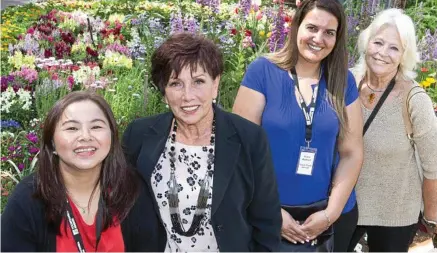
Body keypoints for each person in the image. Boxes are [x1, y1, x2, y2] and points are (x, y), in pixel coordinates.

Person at [122, 32, 282, 252]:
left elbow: (267, 225)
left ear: (215, 84)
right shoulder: (138, 135)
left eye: (198, 81)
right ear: (163, 92)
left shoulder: (250, 139)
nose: (188, 96)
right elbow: (122, 210)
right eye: (176, 84)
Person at [233, 0, 364, 252]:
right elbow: (240, 149)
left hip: (321, 219)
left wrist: (330, 214)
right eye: (312, 28)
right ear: (296, 27)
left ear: (337, 39)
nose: (318, 39)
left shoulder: (343, 81)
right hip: (265, 215)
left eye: (329, 32)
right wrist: (270, 210)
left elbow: (352, 153)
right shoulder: (263, 72)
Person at [1, 91, 160, 252]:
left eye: (96, 126)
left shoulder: (132, 190)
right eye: (72, 128)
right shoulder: (29, 199)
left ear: (112, 137)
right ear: (52, 143)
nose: (85, 136)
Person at [348, 8, 437, 252]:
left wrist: (432, 217)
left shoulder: (414, 99)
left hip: (395, 215)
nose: (383, 53)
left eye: (394, 48)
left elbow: (434, 165)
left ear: (404, 55)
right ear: (366, 42)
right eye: (378, 42)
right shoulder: (347, 83)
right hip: (344, 207)